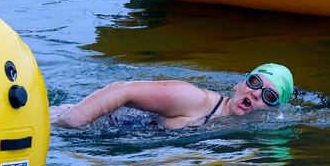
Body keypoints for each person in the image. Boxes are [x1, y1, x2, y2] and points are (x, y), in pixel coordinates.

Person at [54, 63, 294, 130]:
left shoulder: (244, 131)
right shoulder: (193, 99)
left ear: (274, 110)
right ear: (238, 84)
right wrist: (71, 122)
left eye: (269, 96)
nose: (255, 93)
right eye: (254, 82)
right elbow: (122, 89)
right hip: (77, 121)